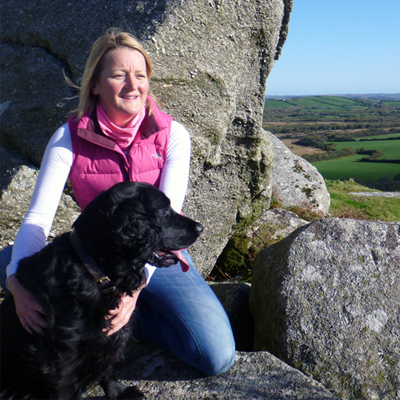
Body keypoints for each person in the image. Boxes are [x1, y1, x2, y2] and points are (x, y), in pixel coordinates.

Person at [0, 28, 235, 376]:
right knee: (8, 263)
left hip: (155, 258)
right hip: (94, 262)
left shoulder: (172, 135)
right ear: (95, 84)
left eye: (140, 75)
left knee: (216, 355)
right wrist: (15, 282)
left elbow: (166, 222)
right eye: (118, 75)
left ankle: (133, 323)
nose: (132, 85)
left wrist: (133, 293)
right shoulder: (68, 137)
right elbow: (39, 217)